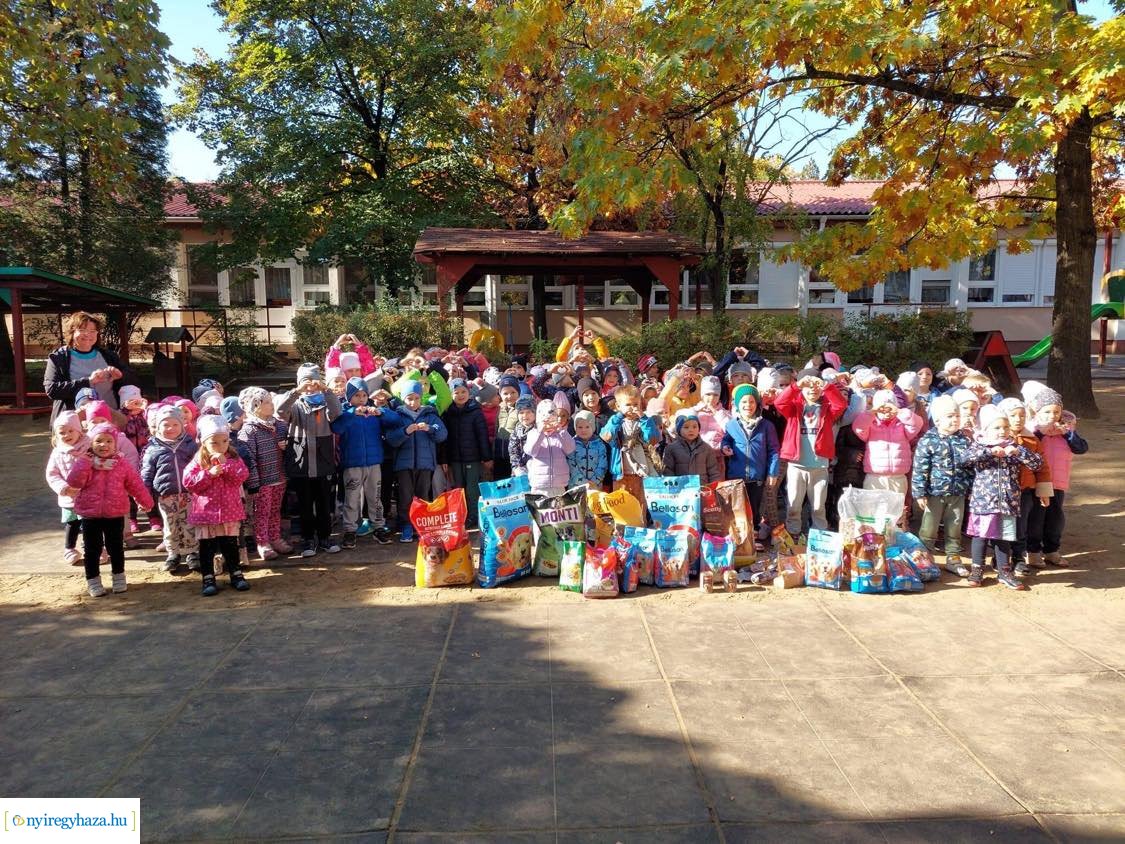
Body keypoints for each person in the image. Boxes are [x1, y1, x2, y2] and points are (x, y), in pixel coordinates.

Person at [959, 405, 1042, 589]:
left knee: (1003, 537)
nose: (1002, 431)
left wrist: (1019, 452)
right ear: (985, 429)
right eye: (996, 427)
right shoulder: (979, 446)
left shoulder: (1014, 447)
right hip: (983, 503)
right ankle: (977, 569)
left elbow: (1037, 464)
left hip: (1008, 502)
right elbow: (964, 460)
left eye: (1005, 427)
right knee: (980, 536)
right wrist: (988, 452)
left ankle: (1005, 571)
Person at [66, 422, 153, 597]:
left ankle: (119, 577)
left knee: (116, 547)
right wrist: (86, 463)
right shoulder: (85, 462)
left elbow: (135, 484)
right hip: (90, 514)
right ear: (91, 443)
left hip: (115, 513)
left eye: (108, 441)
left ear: (115, 444)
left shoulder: (121, 464)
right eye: (98, 441)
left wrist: (146, 502)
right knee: (92, 549)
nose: (104, 445)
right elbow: (74, 481)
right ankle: (93, 580)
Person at [278, 363, 344, 557]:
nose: (310, 386)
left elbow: (337, 412)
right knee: (305, 505)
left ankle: (325, 537)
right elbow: (280, 412)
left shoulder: (325, 403)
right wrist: (296, 392)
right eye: (305, 381)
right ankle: (308, 539)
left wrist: (326, 390)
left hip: (323, 463)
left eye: (313, 381)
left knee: (324, 504)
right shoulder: (295, 405)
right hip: (301, 463)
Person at [183, 416, 252, 596]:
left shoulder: (233, 458)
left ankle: (236, 573)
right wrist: (209, 474)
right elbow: (189, 482)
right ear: (204, 442)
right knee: (207, 547)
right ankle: (208, 577)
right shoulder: (198, 461)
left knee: (230, 544)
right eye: (214, 442)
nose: (220, 446)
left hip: (229, 511)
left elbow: (241, 476)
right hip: (206, 513)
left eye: (224, 441)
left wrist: (226, 465)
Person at [775, 368, 847, 537]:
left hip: (819, 465)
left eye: (816, 386)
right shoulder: (794, 407)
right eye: (808, 386)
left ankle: (819, 534)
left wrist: (827, 386)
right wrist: (796, 386)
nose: (813, 389)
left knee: (818, 505)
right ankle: (793, 532)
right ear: (802, 388)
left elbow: (841, 404)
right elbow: (779, 403)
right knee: (794, 504)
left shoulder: (827, 409)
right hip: (797, 464)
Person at [331, 377, 402, 548]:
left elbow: (396, 420)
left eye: (364, 395)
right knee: (351, 499)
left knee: (375, 498)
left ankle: (378, 526)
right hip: (352, 463)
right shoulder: (344, 411)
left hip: (374, 462)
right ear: (349, 397)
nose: (361, 399)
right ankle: (350, 530)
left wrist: (381, 411)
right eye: (357, 395)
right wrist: (351, 414)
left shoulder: (373, 412)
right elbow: (336, 428)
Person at [911, 395, 973, 576]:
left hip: (958, 492)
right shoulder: (928, 440)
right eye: (950, 416)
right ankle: (925, 558)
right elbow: (920, 468)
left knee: (955, 525)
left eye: (957, 416)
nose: (955, 420)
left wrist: (970, 488)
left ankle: (953, 558)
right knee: (929, 527)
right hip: (934, 493)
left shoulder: (964, 440)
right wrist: (920, 492)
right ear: (937, 420)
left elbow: (970, 466)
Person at [1026, 387, 1088, 567]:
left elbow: (1081, 448)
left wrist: (1067, 433)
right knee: (1036, 518)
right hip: (1037, 481)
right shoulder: (1032, 429)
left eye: (1056, 412)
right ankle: (1033, 551)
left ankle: (1051, 550)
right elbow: (1027, 447)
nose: (1052, 416)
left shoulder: (1067, 429)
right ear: (1037, 411)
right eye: (1047, 412)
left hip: (1058, 482)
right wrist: (1042, 432)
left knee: (1055, 518)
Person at [44, 311, 138, 424]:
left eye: (92, 331)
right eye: (82, 330)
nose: (87, 334)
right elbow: (52, 390)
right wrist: (89, 381)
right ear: (72, 332)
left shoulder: (108, 356)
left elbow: (133, 380)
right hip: (75, 424)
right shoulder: (59, 357)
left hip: (110, 420)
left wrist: (120, 376)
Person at [384, 380, 447, 543]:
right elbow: (391, 439)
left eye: (416, 398)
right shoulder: (398, 416)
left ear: (421, 398)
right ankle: (406, 525)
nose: (413, 402)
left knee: (423, 496)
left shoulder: (430, 415)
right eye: (409, 398)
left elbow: (442, 434)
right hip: (403, 465)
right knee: (405, 496)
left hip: (425, 464)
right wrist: (405, 431)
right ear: (403, 399)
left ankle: (421, 526)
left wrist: (430, 428)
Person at [141, 405, 201, 572]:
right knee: (170, 525)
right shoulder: (153, 448)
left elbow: (198, 466)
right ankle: (173, 553)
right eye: (165, 425)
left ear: (182, 425)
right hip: (165, 495)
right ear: (157, 426)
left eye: (175, 424)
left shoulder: (189, 445)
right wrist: (144, 495)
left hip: (188, 494)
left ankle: (192, 552)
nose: (170, 428)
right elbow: (146, 473)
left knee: (189, 524)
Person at [997, 397, 1053, 577]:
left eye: (1022, 415)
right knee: (1003, 526)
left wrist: (1044, 492)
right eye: (1013, 415)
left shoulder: (1032, 440)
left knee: (1021, 526)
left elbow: (1042, 466)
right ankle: (1000, 558)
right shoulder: (996, 438)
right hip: (1002, 492)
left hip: (1024, 491)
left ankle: (1018, 558)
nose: (1018, 419)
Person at [237, 387, 292, 560]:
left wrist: (287, 446)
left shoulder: (280, 425)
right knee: (262, 512)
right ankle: (263, 542)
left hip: (280, 477)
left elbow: (292, 446)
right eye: (266, 402)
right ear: (254, 407)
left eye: (270, 400)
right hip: (262, 482)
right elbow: (249, 459)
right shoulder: (249, 430)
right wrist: (254, 483)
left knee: (275, 510)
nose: (271, 404)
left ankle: (275, 538)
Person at [720, 384, 781, 527]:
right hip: (736, 477)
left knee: (754, 509)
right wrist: (725, 447)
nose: (748, 405)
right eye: (744, 401)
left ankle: (754, 534)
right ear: (737, 404)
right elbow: (726, 440)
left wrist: (773, 472)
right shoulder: (731, 425)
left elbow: (774, 450)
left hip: (757, 477)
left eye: (752, 401)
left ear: (757, 404)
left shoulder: (767, 426)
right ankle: (741, 535)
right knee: (737, 510)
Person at [852, 389, 924, 499]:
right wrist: (872, 412)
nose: (886, 412)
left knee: (896, 508)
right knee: (874, 507)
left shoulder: (902, 424)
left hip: (898, 477)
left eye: (890, 409)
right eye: (882, 409)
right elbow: (858, 427)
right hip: (875, 477)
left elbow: (917, 423)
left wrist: (899, 412)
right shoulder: (871, 424)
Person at [439, 378, 492, 528]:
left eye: (463, 392)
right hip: (455, 459)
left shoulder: (475, 411)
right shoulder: (448, 413)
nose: (460, 395)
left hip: (473, 458)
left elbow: (482, 435)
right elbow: (445, 440)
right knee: (459, 488)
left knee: (472, 489)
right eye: (456, 392)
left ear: (469, 393)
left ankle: (474, 516)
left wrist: (486, 457)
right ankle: (462, 515)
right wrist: (444, 460)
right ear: (451, 394)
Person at [600, 384, 663, 506]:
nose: (632, 408)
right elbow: (606, 436)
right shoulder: (615, 421)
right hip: (621, 474)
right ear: (618, 406)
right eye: (628, 405)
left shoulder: (645, 421)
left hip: (641, 472)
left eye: (635, 404)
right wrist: (619, 416)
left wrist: (643, 418)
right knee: (621, 506)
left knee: (640, 505)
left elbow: (653, 439)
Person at [44, 411, 90, 567]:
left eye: (71, 431)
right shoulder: (57, 453)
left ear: (79, 431)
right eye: (62, 432)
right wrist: (64, 488)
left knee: (90, 524)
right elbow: (52, 474)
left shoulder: (89, 448)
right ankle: (69, 549)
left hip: (90, 495)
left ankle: (93, 548)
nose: (67, 435)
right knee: (72, 523)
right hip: (69, 497)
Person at [525, 399, 576, 496]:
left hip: (559, 484)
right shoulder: (533, 433)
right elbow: (531, 451)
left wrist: (560, 431)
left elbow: (570, 449)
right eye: (545, 422)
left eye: (551, 421)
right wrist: (540, 433)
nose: (548, 425)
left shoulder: (561, 434)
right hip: (539, 485)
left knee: (559, 506)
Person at [664, 411, 722, 484]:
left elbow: (713, 472)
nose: (691, 430)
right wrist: (673, 486)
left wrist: (714, 486)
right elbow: (668, 471)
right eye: (686, 427)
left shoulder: (706, 448)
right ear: (679, 430)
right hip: (681, 488)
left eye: (695, 427)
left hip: (703, 487)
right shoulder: (671, 449)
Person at [567, 409, 609, 489]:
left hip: (595, 485)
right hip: (576, 486)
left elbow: (603, 464)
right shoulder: (571, 444)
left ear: (592, 427)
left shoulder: (599, 444)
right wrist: (583, 482)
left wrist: (595, 481)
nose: (583, 430)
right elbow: (571, 464)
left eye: (587, 427)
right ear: (575, 428)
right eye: (580, 427)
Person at [508, 396, 537, 478]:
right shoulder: (517, 430)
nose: (525, 415)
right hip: (521, 469)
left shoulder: (539, 429)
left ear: (535, 413)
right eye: (521, 412)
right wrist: (516, 467)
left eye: (528, 412)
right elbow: (513, 451)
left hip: (537, 468)